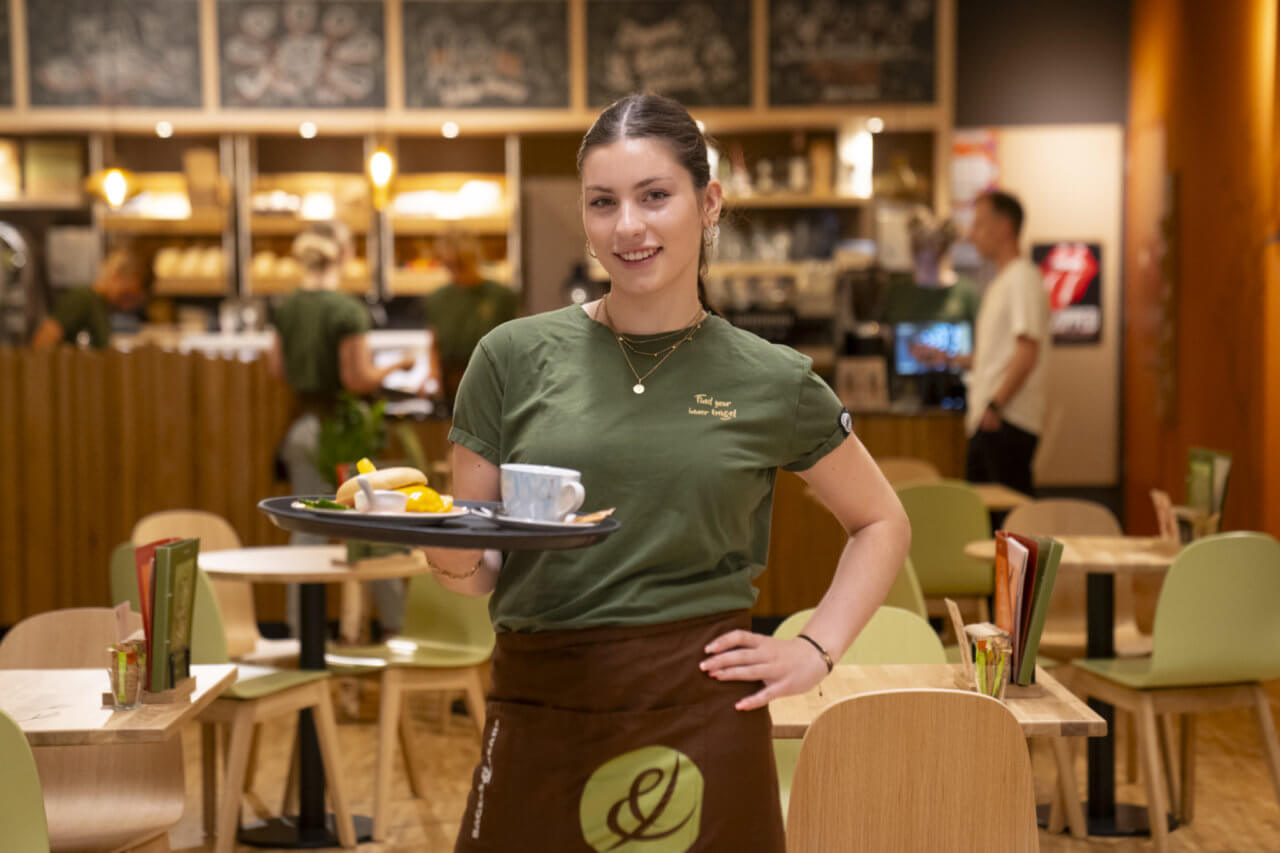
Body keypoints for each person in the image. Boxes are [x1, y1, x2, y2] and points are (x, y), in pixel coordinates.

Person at [422, 94, 911, 852]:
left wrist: (814, 649)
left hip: (703, 712)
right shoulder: (509, 357)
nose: (629, 227)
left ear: (708, 202)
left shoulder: (771, 379)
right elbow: (480, 564)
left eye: (655, 196)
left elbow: (881, 521)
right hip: (543, 700)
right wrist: (445, 550)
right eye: (603, 202)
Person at [268, 221, 413, 636]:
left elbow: (275, 367)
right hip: (343, 435)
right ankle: (395, 629)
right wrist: (395, 367)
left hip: (299, 430)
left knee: (307, 531)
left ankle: (301, 633)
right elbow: (356, 379)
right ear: (343, 256)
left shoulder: (288, 306)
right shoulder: (348, 310)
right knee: (374, 527)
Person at [953, 190, 1050, 495]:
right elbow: (995, 357)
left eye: (979, 224)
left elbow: (1027, 351)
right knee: (993, 529)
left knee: (1010, 526)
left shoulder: (1021, 277)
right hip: (993, 419)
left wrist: (995, 406)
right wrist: (945, 357)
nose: (972, 234)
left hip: (1005, 421)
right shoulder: (1003, 281)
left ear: (1005, 226)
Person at [422, 231, 517, 403]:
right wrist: (432, 376)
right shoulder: (438, 298)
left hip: (491, 379)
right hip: (451, 381)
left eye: (460, 264)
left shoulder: (500, 296)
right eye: (450, 264)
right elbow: (434, 343)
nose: (456, 271)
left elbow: (514, 342)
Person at [31, 247, 144, 350]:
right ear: (116, 276)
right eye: (126, 294)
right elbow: (45, 339)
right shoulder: (83, 298)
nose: (127, 305)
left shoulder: (103, 306)